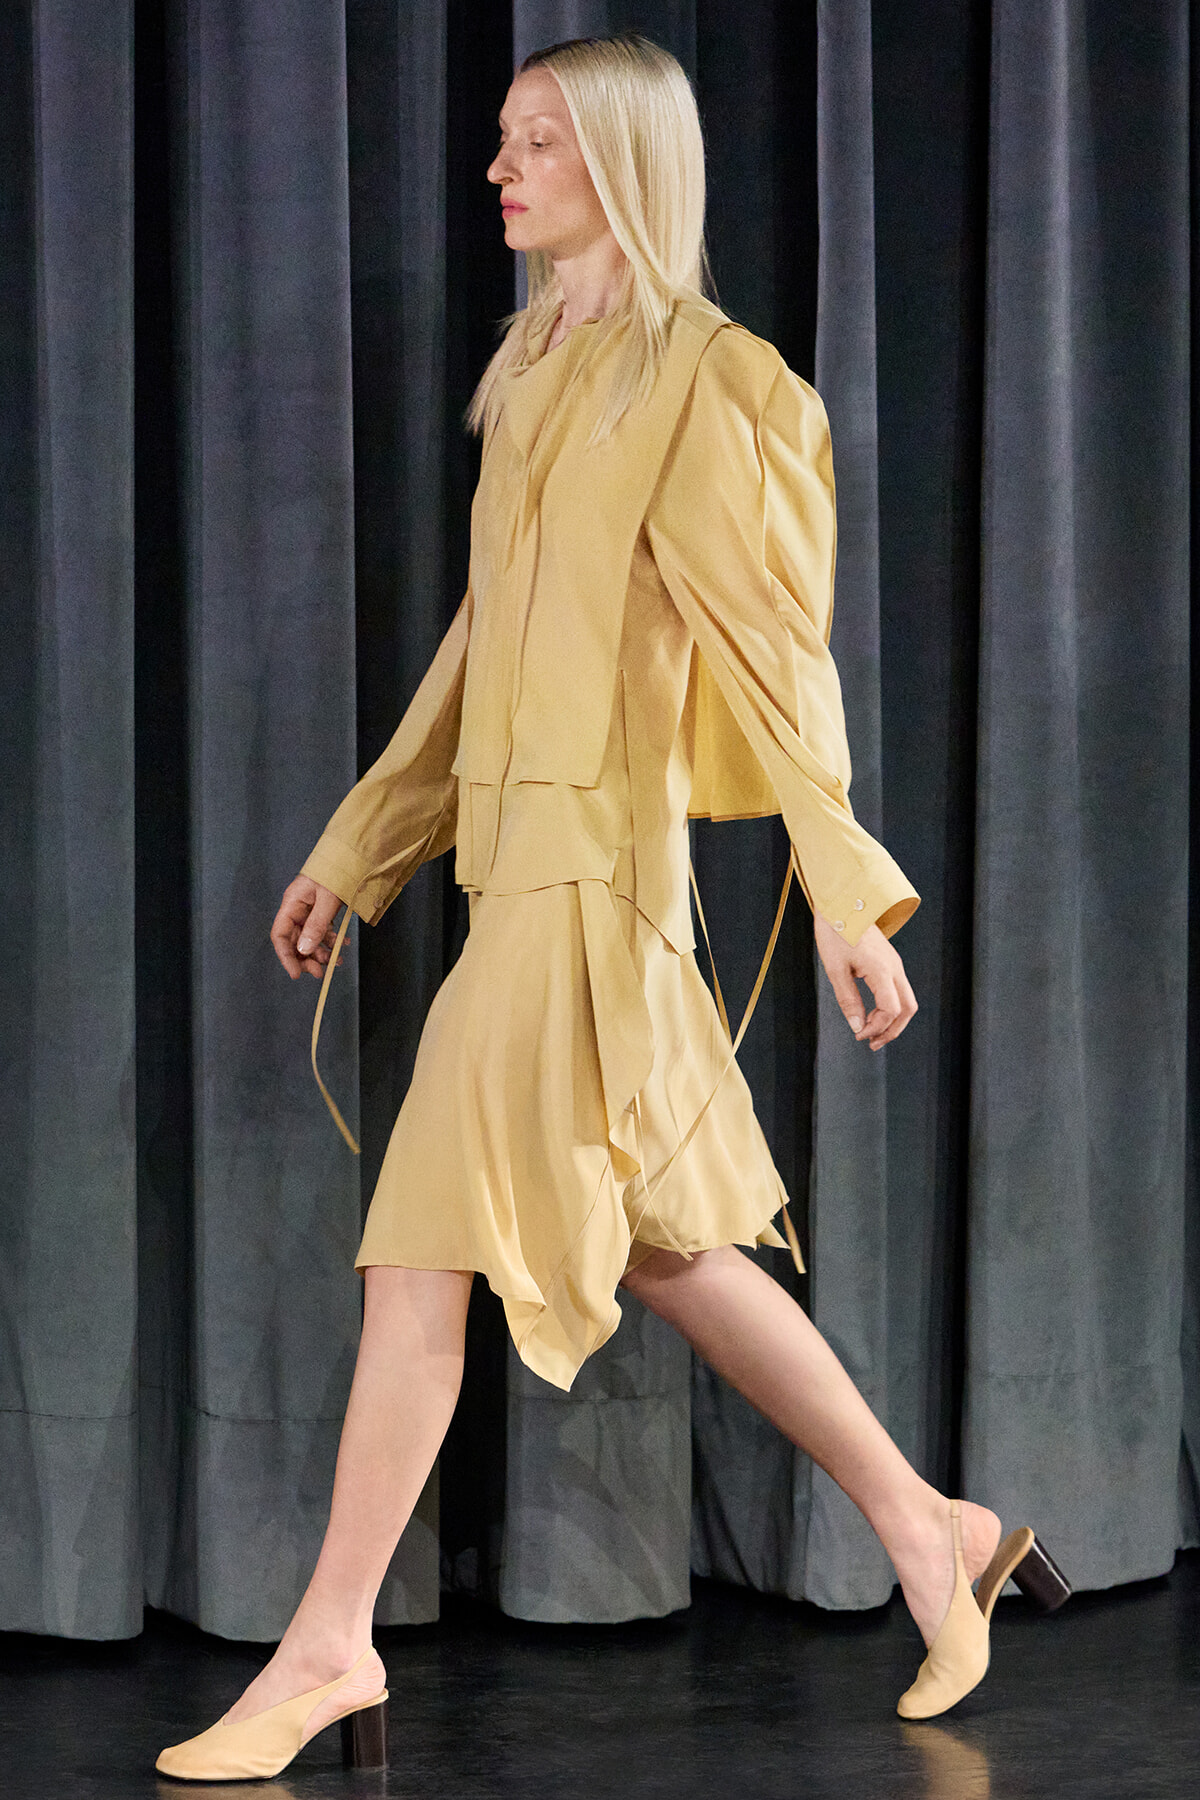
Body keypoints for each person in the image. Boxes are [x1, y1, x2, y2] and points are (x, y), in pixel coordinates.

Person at [155, 31, 1068, 1785]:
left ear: (628, 164)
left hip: (601, 892)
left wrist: (846, 891)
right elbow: (483, 646)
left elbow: (773, 658)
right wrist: (366, 846)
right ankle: (930, 1524)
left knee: (422, 1235)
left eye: (538, 145)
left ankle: (330, 1643)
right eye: (499, 142)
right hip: (522, 882)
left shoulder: (712, 383)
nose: (499, 171)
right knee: (672, 1249)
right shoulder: (534, 372)